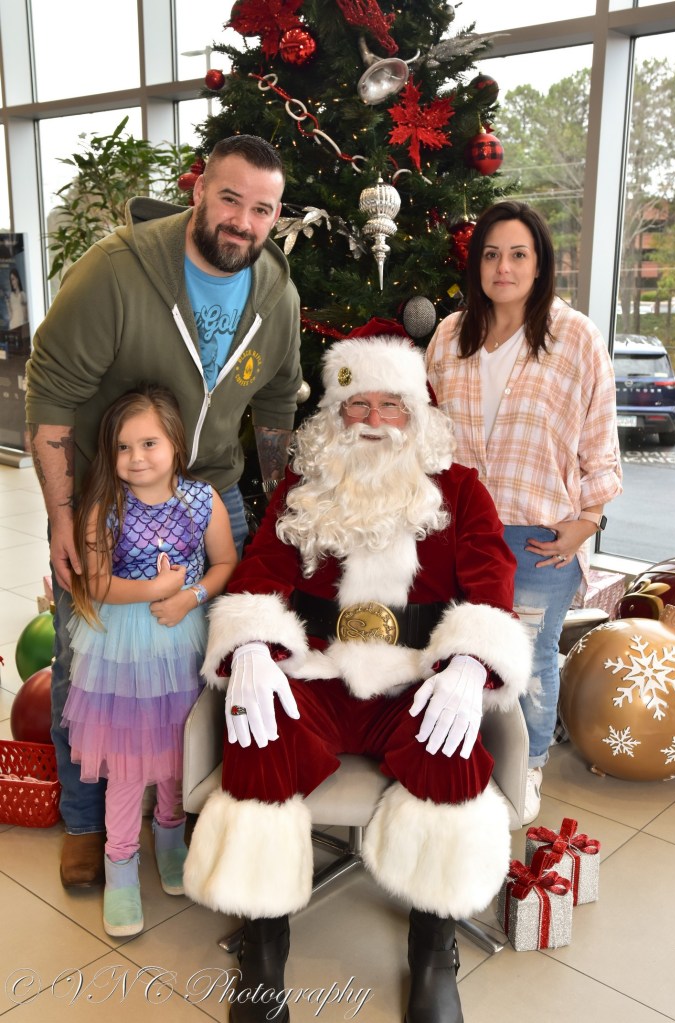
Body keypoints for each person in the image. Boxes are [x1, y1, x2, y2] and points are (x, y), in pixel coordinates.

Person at [183, 326, 532, 1023]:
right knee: (256, 733)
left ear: (417, 412)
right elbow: (260, 570)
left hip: (414, 678)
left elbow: (493, 584)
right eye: (358, 404)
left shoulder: (461, 491)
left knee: (452, 749)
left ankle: (433, 950)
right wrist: (249, 647)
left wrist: (470, 661)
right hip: (317, 669)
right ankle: (263, 944)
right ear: (335, 414)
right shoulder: (305, 485)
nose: (374, 420)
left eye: (391, 404)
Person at [25, 133, 302, 888]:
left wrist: (275, 506)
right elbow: (50, 394)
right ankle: (86, 822)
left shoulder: (276, 293)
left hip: (211, 495)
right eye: (230, 198)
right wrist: (62, 515)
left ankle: (184, 808)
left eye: (263, 209)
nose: (243, 221)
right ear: (198, 190)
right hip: (108, 497)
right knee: (86, 667)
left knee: (214, 661)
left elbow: (278, 401)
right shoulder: (117, 272)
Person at [426, 200, 622, 825]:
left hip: (537, 537)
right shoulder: (448, 335)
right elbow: (425, 432)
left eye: (517, 254)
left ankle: (527, 765)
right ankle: (461, 760)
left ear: (539, 264)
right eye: (491, 255)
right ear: (476, 264)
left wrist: (588, 521)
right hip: (456, 533)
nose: (503, 268)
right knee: (457, 651)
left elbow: (599, 439)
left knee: (530, 660)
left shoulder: (576, 338)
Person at [62, 384, 237, 936]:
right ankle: (120, 866)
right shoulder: (105, 506)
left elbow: (224, 562)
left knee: (180, 749)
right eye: (123, 447)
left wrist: (189, 596)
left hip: (185, 638)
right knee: (128, 764)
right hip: (125, 649)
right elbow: (95, 584)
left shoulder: (201, 500)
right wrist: (155, 589)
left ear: (176, 443)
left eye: (148, 444)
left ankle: (169, 838)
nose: (135, 458)